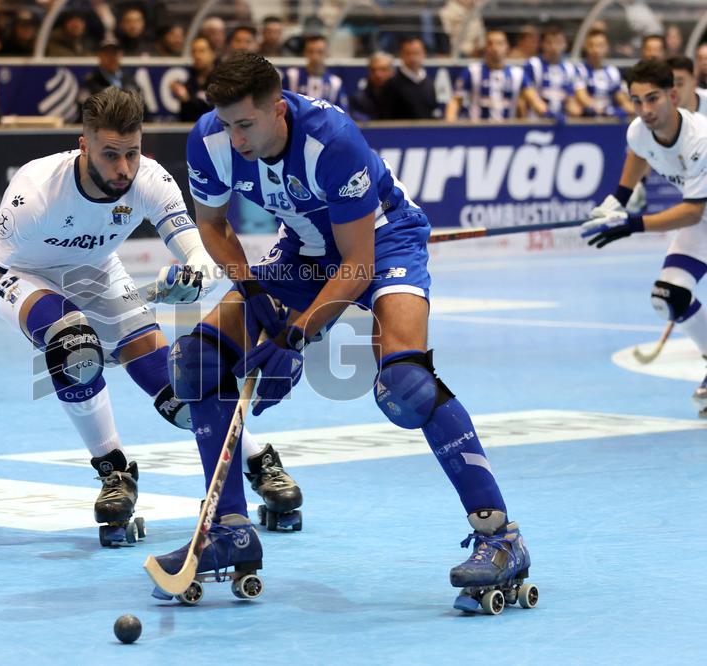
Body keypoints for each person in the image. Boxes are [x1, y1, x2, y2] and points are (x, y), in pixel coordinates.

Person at [150, 53, 533, 611]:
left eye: (246, 125)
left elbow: (356, 265)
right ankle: (228, 530)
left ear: (279, 111)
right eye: (227, 124)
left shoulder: (332, 141)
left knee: (407, 384)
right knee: (197, 362)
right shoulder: (209, 140)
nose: (234, 139)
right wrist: (257, 297)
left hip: (383, 241)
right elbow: (212, 224)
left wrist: (294, 338)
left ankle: (500, 536)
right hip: (303, 250)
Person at [0, 86, 302, 544]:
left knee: (180, 393)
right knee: (74, 346)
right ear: (83, 145)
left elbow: (200, 255)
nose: (124, 168)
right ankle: (113, 470)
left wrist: (192, 276)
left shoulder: (149, 179)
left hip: (99, 274)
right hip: (26, 277)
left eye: (133, 152)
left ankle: (257, 458)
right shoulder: (36, 191)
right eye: (111, 155)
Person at [580, 59, 707, 418]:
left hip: (700, 216)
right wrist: (615, 202)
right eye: (637, 101)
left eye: (653, 99)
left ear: (673, 94)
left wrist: (631, 224)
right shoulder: (638, 130)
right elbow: (639, 154)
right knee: (670, 296)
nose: (646, 110)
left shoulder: (700, 138)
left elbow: (691, 212)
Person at [445, 30, 524, 121]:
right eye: (490, 43)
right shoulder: (472, 71)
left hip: (507, 131)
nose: (495, 48)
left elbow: (532, 102)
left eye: (499, 43)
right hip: (477, 131)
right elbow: (455, 101)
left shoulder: (517, 74)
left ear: (507, 47)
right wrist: (450, 126)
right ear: (485, 48)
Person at [521, 23, 582, 121]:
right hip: (536, 123)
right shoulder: (533, 65)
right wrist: (548, 114)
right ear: (542, 44)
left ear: (565, 45)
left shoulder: (570, 68)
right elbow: (531, 96)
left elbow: (571, 101)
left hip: (562, 123)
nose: (553, 47)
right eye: (549, 42)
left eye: (558, 42)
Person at [574, 29, 632, 119]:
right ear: (585, 47)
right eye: (591, 45)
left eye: (600, 46)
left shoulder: (612, 71)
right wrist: (605, 111)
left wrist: (631, 110)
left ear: (607, 48)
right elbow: (582, 98)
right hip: (587, 119)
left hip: (608, 119)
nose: (596, 50)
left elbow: (621, 99)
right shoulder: (580, 70)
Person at [78, 38, 142, 118]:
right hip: (102, 127)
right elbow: (84, 110)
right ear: (99, 56)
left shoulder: (130, 78)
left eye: (114, 53)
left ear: (121, 55)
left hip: (129, 127)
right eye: (107, 53)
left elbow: (142, 106)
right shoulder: (91, 81)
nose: (111, 57)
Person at [283, 35, 348, 110]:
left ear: (327, 53)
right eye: (311, 51)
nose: (315, 57)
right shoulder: (292, 76)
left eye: (320, 52)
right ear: (305, 52)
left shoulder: (335, 83)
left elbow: (343, 113)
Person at [387, 37, 438, 120]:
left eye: (416, 53)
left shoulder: (429, 82)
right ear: (401, 55)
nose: (413, 58)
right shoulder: (392, 83)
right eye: (408, 53)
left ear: (423, 54)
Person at [170, 36, 216, 122]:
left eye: (202, 51)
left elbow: (214, 112)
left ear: (212, 54)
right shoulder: (189, 81)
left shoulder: (221, 81)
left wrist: (188, 99)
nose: (197, 56)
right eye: (194, 51)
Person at [348, 52, 395, 121]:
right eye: (373, 70)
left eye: (383, 70)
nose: (378, 74)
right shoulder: (358, 99)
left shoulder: (402, 96)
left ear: (392, 72)